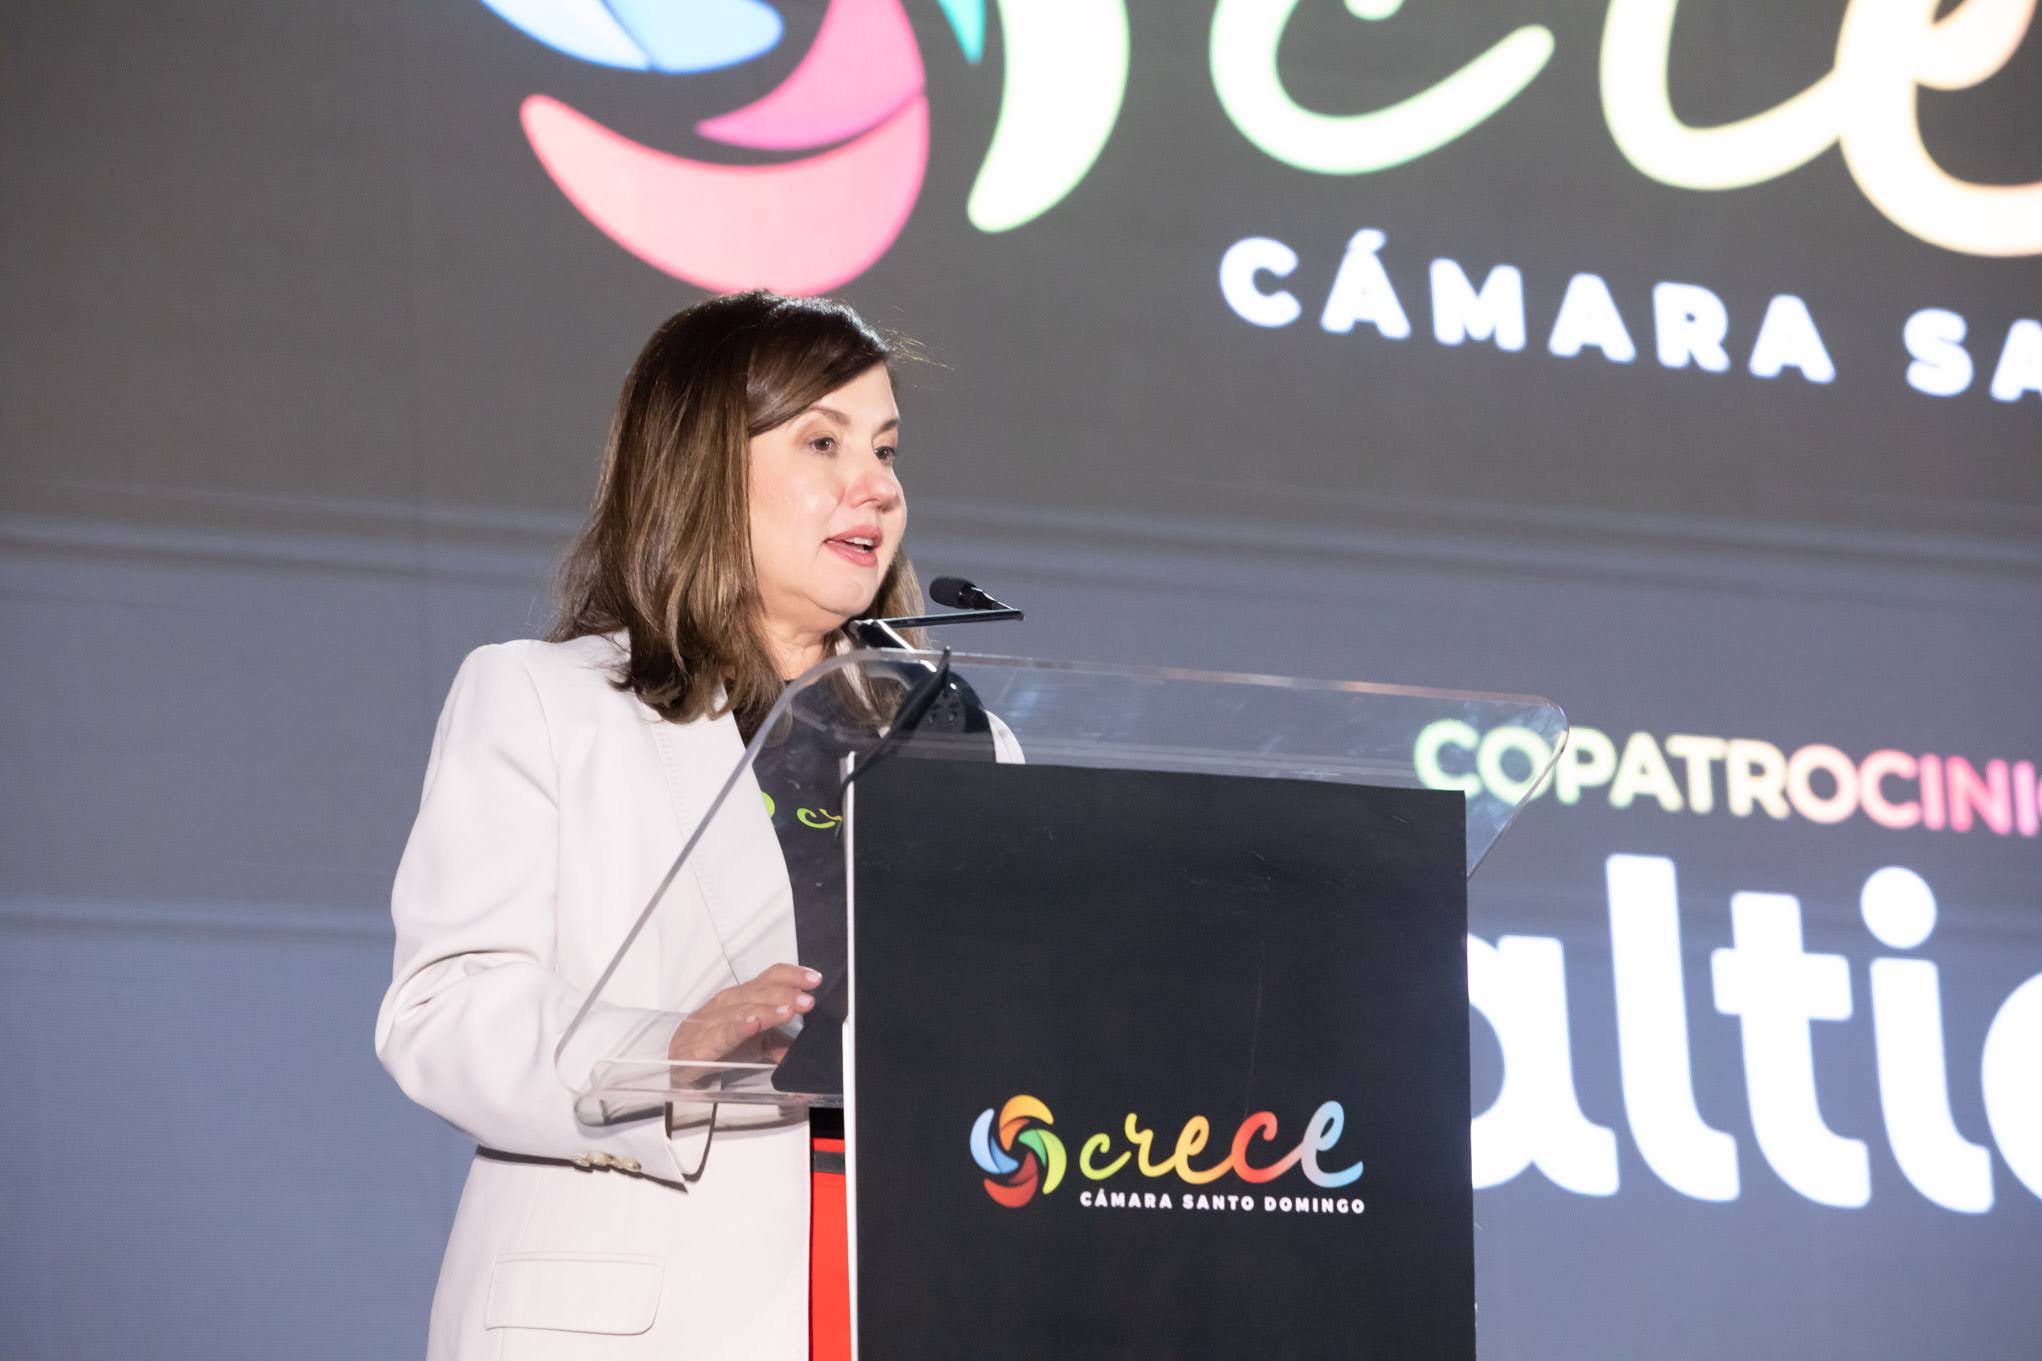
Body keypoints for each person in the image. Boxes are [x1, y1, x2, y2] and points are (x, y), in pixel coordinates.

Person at [376, 290, 959, 1360]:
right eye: (822, 442)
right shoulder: (543, 699)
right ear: (702, 466)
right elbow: (443, 1012)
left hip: (901, 1289)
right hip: (630, 1315)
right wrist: (667, 1049)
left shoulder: (955, 737)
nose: (877, 486)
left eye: (885, 449)